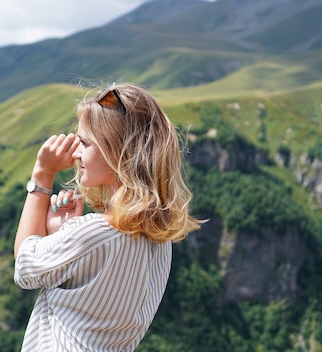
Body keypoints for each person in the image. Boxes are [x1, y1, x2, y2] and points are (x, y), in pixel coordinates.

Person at [13, 82, 202, 351]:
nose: (76, 152)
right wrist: (62, 235)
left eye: (85, 143)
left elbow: (24, 267)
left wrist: (41, 177)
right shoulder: (160, 242)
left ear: (118, 152)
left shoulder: (94, 232)